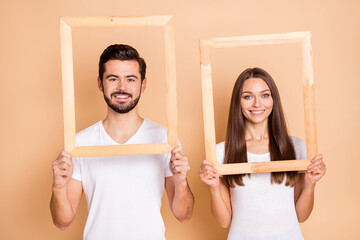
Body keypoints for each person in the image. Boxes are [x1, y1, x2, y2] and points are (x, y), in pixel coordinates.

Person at [50, 44, 194, 240]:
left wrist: (181, 181)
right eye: (113, 79)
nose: (122, 87)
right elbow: (62, 221)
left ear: (143, 84)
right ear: (100, 84)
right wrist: (58, 187)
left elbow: (183, 215)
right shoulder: (79, 142)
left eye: (130, 79)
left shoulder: (164, 139)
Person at [199, 68, 326, 239]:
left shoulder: (296, 147)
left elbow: (301, 216)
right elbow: (223, 221)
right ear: (238, 102)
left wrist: (310, 183)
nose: (257, 104)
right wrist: (213, 187)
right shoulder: (220, 152)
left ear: (274, 99)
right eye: (248, 96)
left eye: (265, 95)